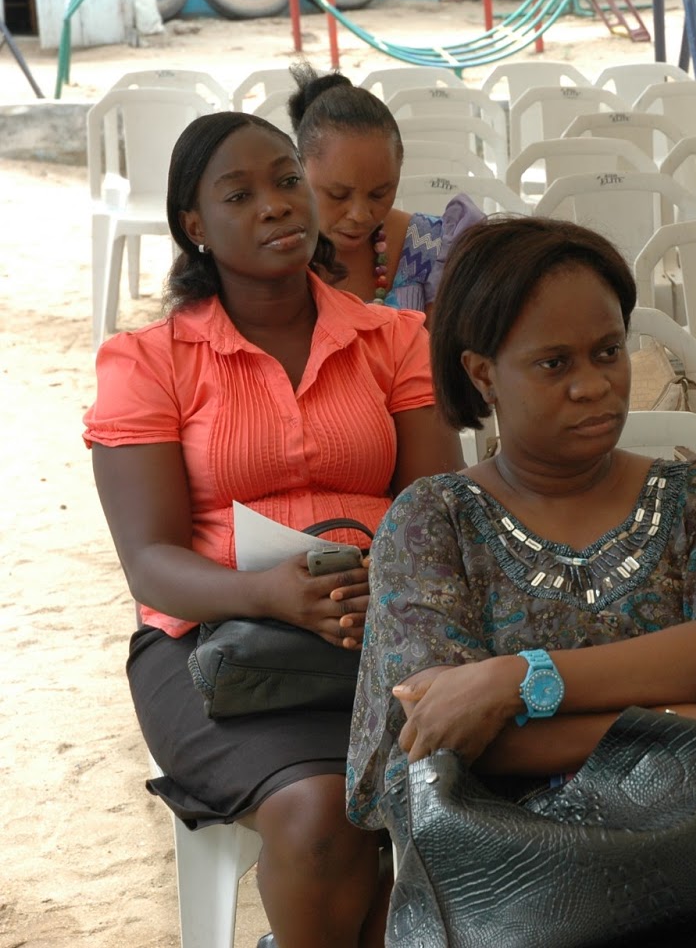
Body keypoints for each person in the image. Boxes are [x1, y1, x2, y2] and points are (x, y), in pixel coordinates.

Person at [346, 216, 696, 945]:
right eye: (553, 364)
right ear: (481, 372)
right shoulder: (434, 523)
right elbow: (455, 741)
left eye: (609, 351)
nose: (594, 386)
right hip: (522, 892)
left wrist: (519, 683)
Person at [84, 112, 463, 947]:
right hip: (216, 651)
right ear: (196, 225)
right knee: (323, 813)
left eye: (288, 181)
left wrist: (381, 597)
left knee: (443, 805)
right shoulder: (150, 361)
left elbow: (436, 513)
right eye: (240, 193)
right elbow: (151, 564)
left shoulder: (393, 337)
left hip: (383, 634)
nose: (276, 206)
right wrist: (270, 594)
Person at [288, 63, 484, 320]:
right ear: (299, 169)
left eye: (379, 194)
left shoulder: (431, 247)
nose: (360, 214)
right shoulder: (279, 257)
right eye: (338, 195)